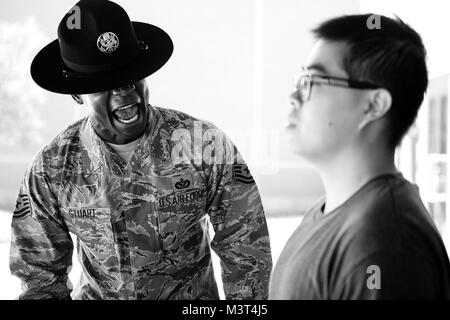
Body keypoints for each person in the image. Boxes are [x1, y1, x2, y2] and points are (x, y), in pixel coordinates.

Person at [10, 0, 272, 300]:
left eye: (132, 75)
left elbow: (247, 253)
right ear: (76, 94)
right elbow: (39, 276)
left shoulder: (204, 144)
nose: (124, 90)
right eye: (104, 83)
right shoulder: (51, 169)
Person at [269, 14, 450, 299]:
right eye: (300, 79)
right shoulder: (329, 211)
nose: (294, 96)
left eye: (312, 80)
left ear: (373, 105)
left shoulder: (385, 243)